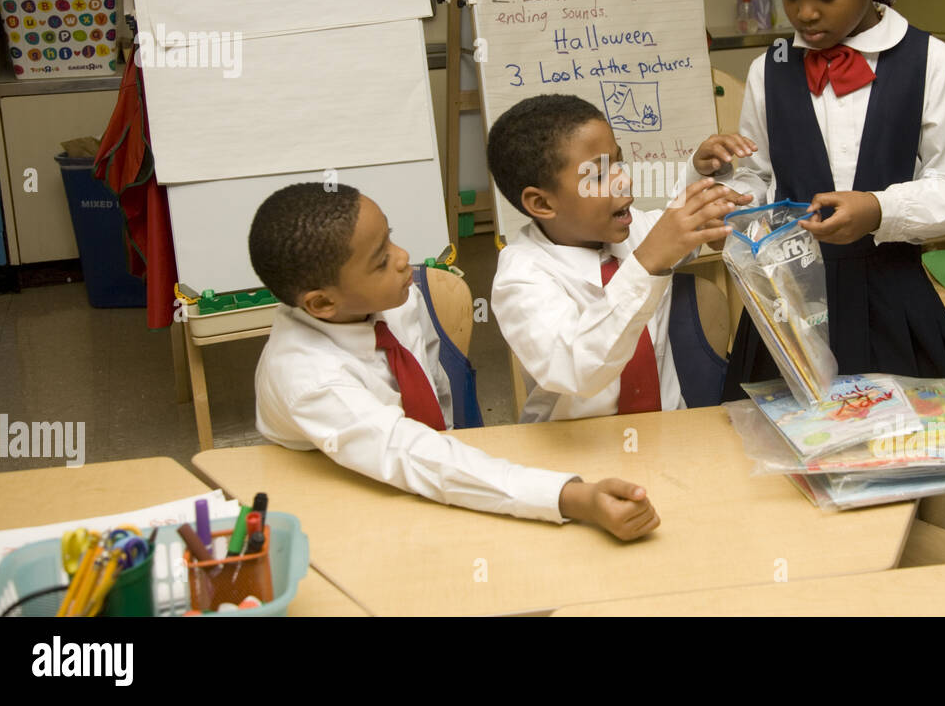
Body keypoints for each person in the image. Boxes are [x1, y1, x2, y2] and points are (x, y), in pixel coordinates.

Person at [689, 0, 945, 409]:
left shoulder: (931, 63)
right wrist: (722, 184)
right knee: (784, 448)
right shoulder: (770, 70)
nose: (804, 13)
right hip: (793, 311)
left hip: (893, 302)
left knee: (905, 452)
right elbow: (758, 180)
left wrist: (878, 208)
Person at [248, 181, 659, 540]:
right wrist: (571, 497)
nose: (402, 255)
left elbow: (434, 406)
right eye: (379, 260)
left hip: (427, 473)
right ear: (322, 303)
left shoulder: (394, 300)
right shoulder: (309, 380)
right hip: (342, 500)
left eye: (390, 238)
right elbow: (413, 456)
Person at [488, 94, 747, 421]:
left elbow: (676, 227)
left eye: (619, 163)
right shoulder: (522, 276)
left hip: (668, 433)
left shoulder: (631, 228)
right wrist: (645, 265)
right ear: (542, 204)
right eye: (598, 176)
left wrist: (700, 172)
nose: (624, 180)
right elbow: (576, 370)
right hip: (577, 449)